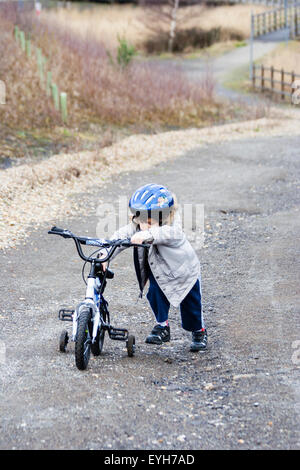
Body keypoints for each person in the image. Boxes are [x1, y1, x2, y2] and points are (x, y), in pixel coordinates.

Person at [103, 183, 207, 352]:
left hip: (185, 273)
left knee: (191, 305)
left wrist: (148, 234)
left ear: (164, 216)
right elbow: (119, 238)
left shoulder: (173, 229)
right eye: (142, 221)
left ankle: (199, 331)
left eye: (150, 223)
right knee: (155, 295)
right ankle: (162, 327)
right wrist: (105, 255)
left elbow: (164, 233)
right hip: (160, 272)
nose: (145, 226)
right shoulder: (137, 227)